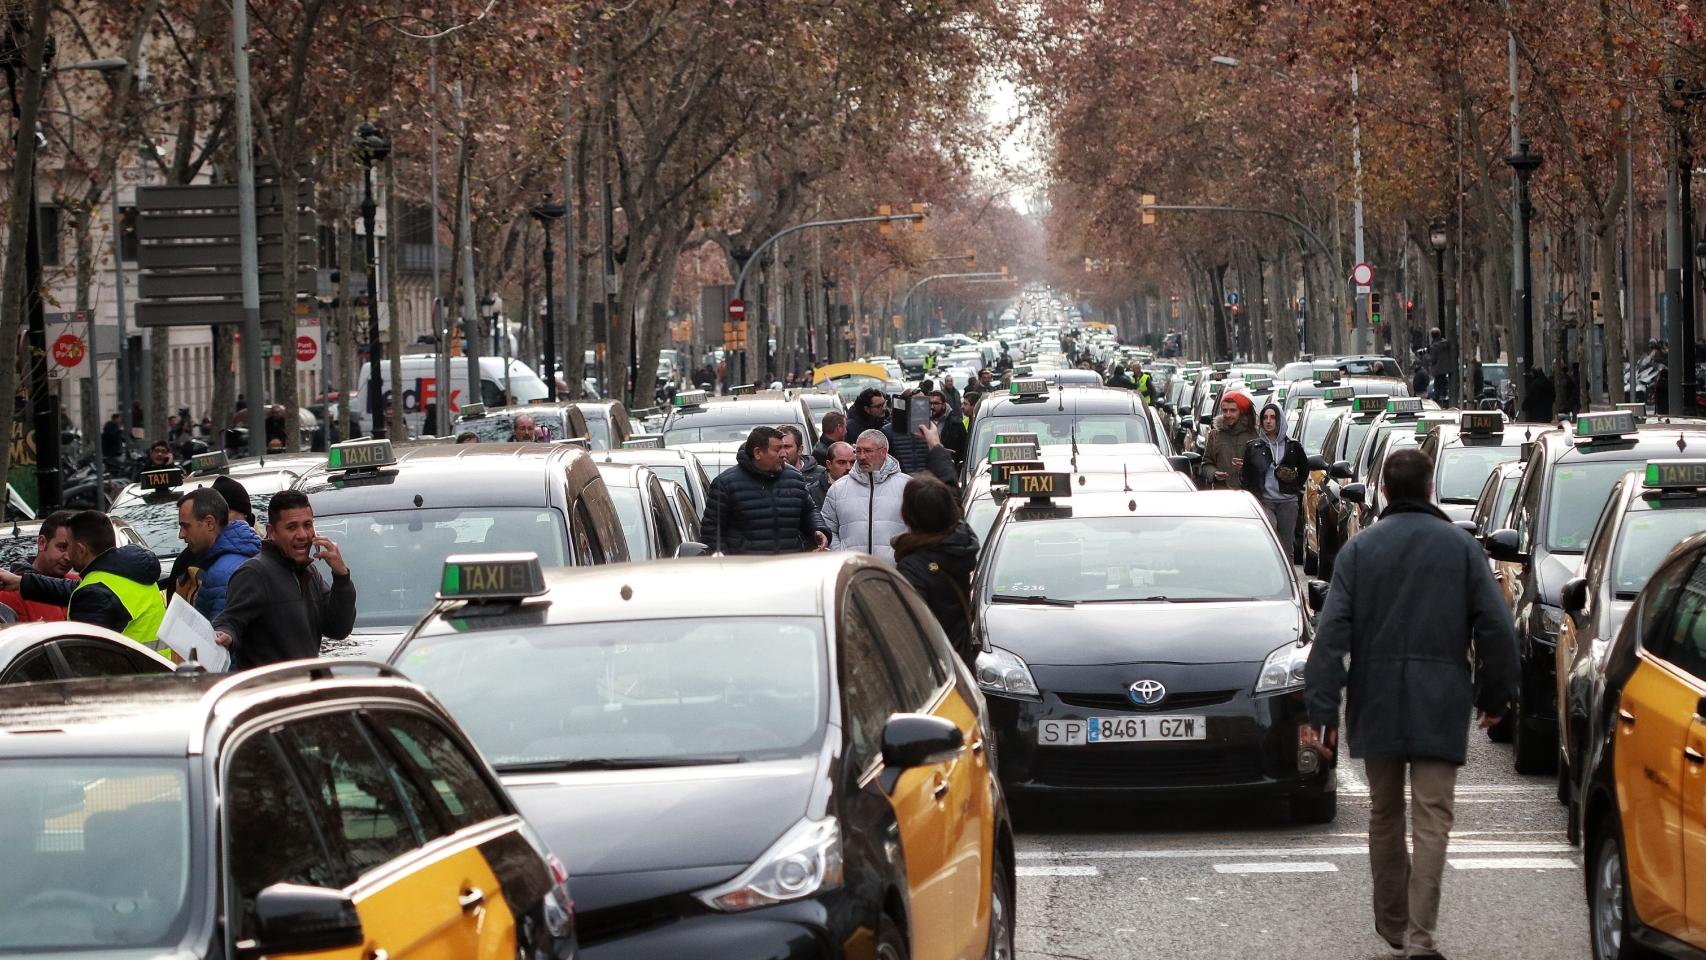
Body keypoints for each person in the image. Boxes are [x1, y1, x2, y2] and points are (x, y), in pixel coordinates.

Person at [1303, 449, 1519, 960]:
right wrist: (1495, 697)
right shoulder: (1460, 548)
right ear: (1429, 488)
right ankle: (1422, 938)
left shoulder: (1359, 550)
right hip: (1440, 699)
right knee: (1432, 818)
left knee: (1384, 814)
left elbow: (1329, 639)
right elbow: (1497, 628)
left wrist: (1321, 712)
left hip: (1376, 697)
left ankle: (1393, 924)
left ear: (1383, 491)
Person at [213, 490, 357, 669]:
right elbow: (230, 620)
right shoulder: (254, 573)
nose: (302, 535)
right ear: (271, 531)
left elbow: (339, 628)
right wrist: (225, 634)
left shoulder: (310, 572)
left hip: (306, 685)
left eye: (307, 525)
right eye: (292, 527)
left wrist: (341, 575)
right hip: (272, 685)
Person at [0, 510, 165, 649]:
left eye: (69, 546)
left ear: (81, 550)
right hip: (154, 670)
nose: (68, 555)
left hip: (128, 676)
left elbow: (84, 657)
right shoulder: (126, 573)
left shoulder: (96, 592)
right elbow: (73, 588)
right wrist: (20, 582)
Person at [699, 426, 831, 555]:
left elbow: (809, 510)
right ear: (758, 453)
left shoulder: (794, 478)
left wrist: (818, 529)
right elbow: (712, 532)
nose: (784, 454)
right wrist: (728, 563)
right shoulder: (726, 484)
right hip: (746, 566)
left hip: (788, 564)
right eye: (778, 449)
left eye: (785, 448)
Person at [893, 475, 979, 665]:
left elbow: (909, 630)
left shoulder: (914, 566)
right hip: (961, 661)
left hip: (933, 668)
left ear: (908, 514)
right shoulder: (960, 545)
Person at [821, 429, 909, 562]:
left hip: (895, 570)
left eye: (868, 451)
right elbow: (827, 529)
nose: (862, 457)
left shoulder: (907, 486)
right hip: (852, 570)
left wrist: (905, 559)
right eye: (858, 451)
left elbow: (920, 530)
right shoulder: (838, 488)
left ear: (883, 452)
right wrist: (841, 555)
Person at [178, 487, 262, 620]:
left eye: (186, 526)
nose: (181, 534)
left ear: (209, 523)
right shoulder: (245, 554)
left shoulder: (221, 574)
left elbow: (219, 631)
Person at [1241, 402, 1309, 544]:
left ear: (1280, 420)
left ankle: (1287, 559)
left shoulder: (1293, 446)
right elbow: (1246, 475)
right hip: (1265, 501)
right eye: (1265, 417)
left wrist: (1295, 487)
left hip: (1288, 502)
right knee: (1269, 539)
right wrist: (1254, 497)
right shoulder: (1253, 447)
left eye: (1272, 417)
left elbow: (1304, 469)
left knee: (1286, 543)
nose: (1268, 421)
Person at [0, 510, 75, 622]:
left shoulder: (79, 584)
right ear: (42, 543)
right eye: (62, 547)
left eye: (73, 550)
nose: (68, 557)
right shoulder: (10, 592)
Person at [1200, 391, 1258, 489]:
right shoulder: (1215, 435)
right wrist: (1214, 473)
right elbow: (1206, 464)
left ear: (1241, 411)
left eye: (1232, 410)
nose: (1228, 415)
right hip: (1223, 494)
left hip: (1248, 493)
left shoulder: (1255, 435)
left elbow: (1262, 468)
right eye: (1225, 410)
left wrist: (1245, 468)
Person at [777, 424, 825, 491]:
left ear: (800, 450)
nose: (782, 453)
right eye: (778, 447)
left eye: (787, 447)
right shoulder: (767, 476)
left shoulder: (821, 475)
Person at [810, 440, 855, 508]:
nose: (849, 467)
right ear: (829, 464)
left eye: (852, 462)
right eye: (842, 462)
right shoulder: (812, 492)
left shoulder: (863, 488)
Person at [929, 390, 968, 466]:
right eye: (930, 403)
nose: (932, 407)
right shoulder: (923, 422)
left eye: (936, 403)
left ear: (944, 405)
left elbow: (964, 449)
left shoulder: (956, 424)